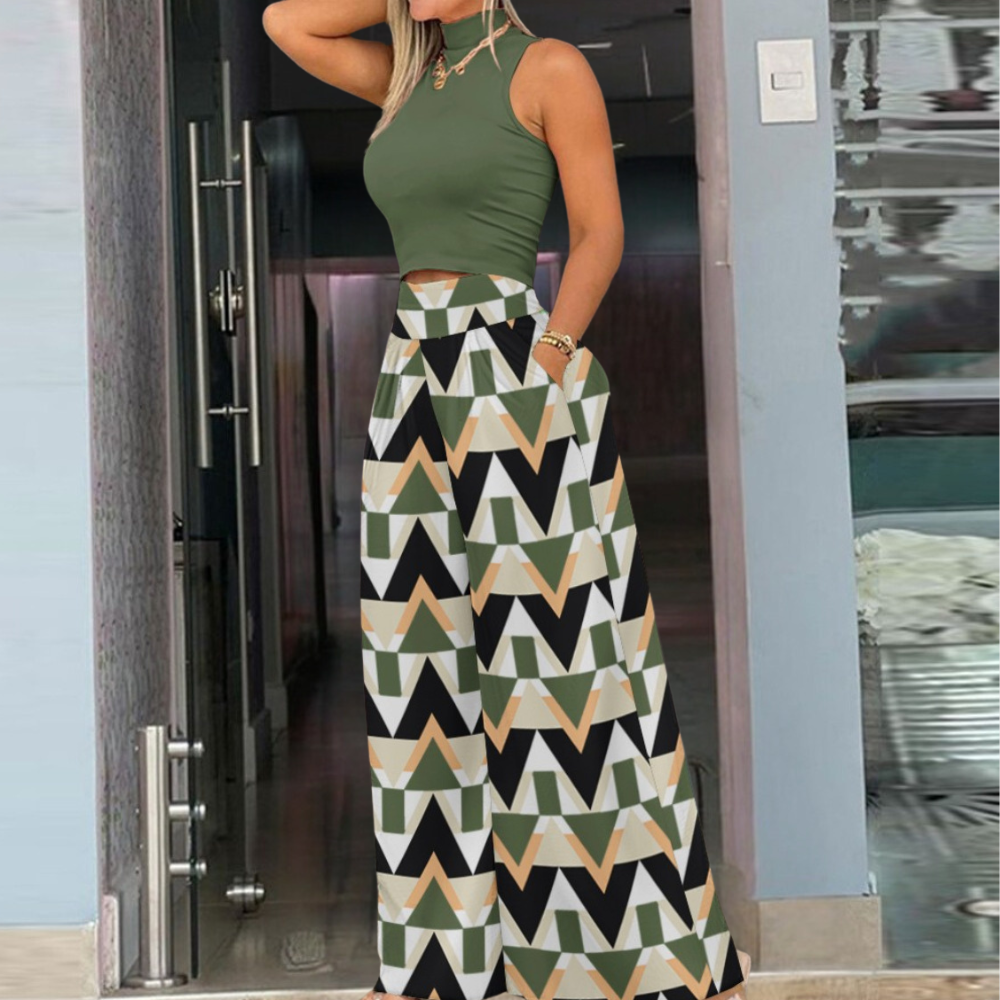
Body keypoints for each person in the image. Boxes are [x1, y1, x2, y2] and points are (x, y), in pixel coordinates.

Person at [262, 1, 751, 998]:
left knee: (559, 670)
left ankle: (621, 957)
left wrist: (550, 357)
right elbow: (287, 23)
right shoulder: (405, 74)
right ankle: (447, 960)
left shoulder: (548, 67)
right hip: (411, 371)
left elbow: (600, 229)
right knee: (421, 673)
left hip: (510, 363)